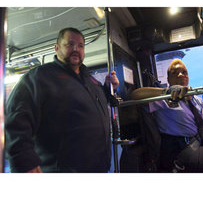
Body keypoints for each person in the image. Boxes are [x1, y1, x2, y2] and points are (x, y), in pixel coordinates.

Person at [5, 27, 119, 173]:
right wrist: (25, 163)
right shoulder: (39, 77)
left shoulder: (89, 79)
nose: (75, 49)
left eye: (80, 46)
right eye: (70, 44)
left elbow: (93, 105)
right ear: (56, 48)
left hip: (99, 168)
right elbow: (15, 121)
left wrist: (108, 89)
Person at [131, 59, 203, 172]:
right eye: (175, 72)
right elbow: (135, 95)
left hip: (201, 143)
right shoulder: (163, 99)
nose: (181, 74)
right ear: (168, 79)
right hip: (181, 151)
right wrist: (166, 92)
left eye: (184, 72)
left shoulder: (198, 99)